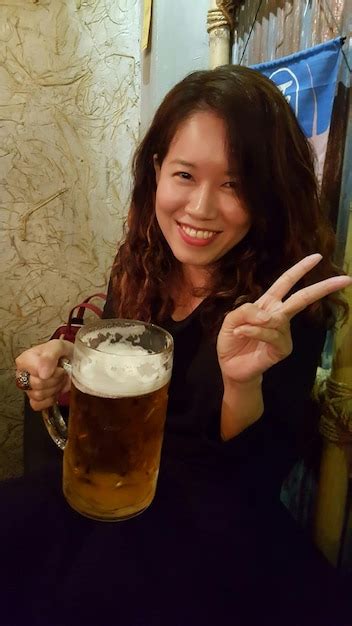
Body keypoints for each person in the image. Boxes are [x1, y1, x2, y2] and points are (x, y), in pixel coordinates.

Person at [11, 65, 352, 625]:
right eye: (185, 175)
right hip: (103, 493)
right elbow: (115, 387)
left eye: (235, 184)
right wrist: (61, 364)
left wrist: (242, 384)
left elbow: (252, 487)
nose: (200, 209)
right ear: (156, 171)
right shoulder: (142, 260)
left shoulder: (284, 304)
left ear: (267, 194)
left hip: (212, 533)